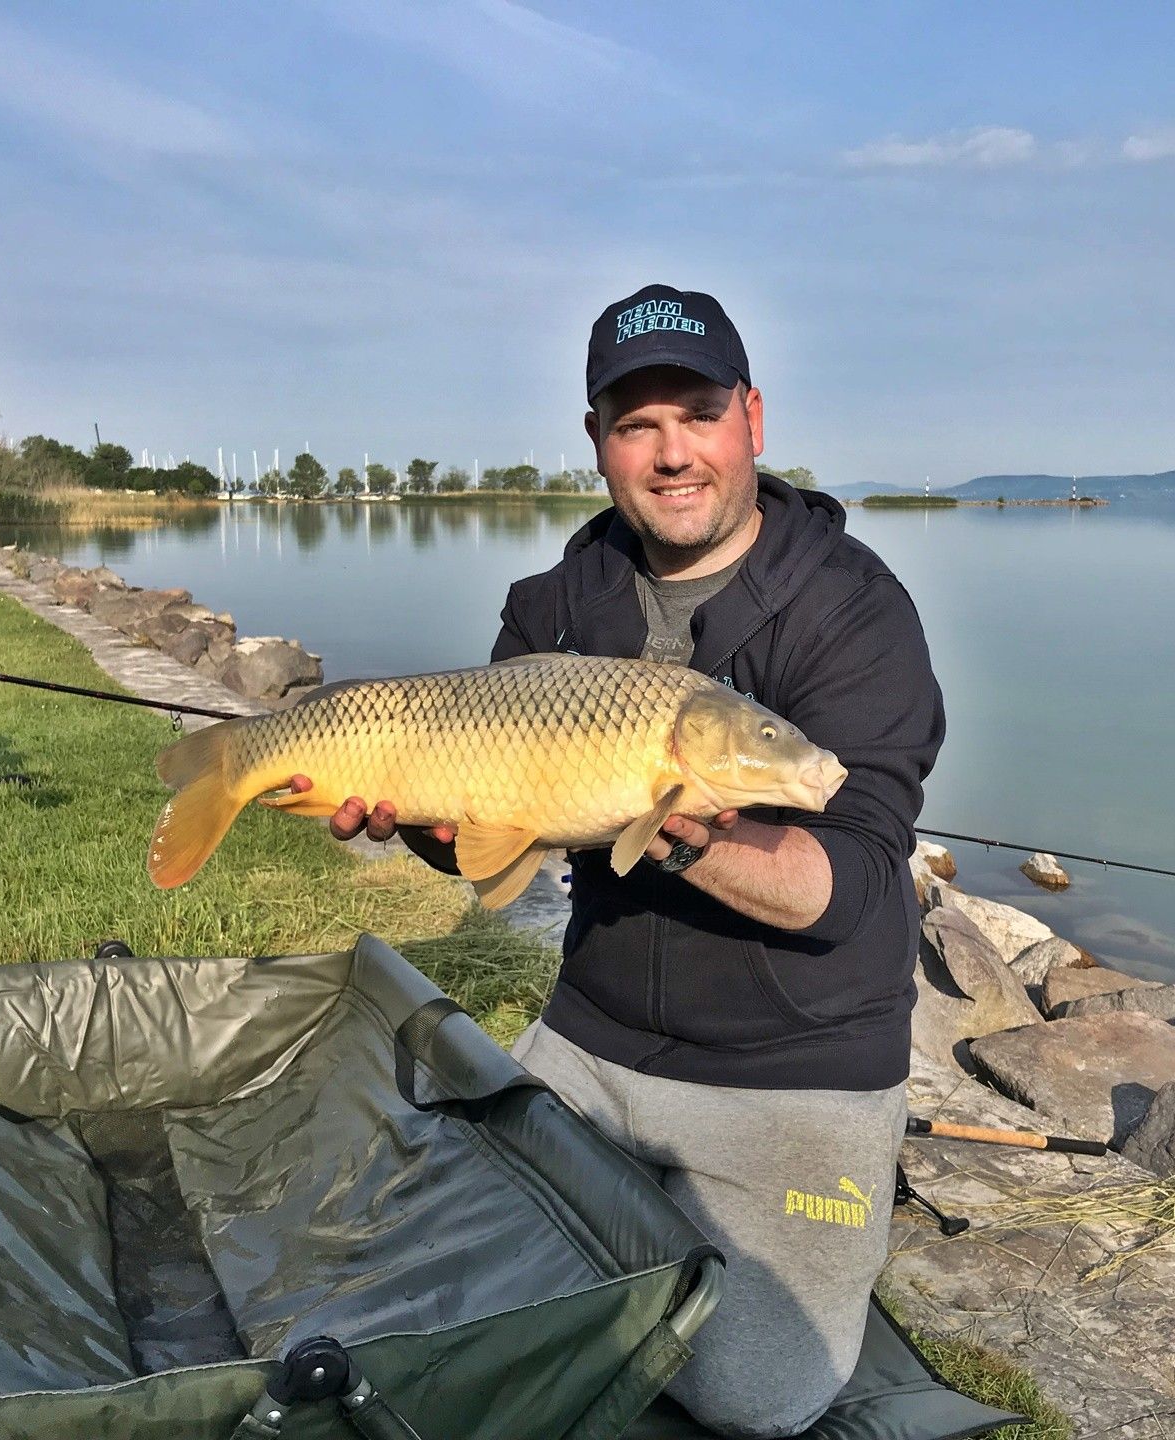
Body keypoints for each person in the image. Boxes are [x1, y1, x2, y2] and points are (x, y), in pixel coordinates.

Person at [291, 284, 945, 1437]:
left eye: (695, 413)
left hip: (792, 1065)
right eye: (635, 425)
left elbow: (851, 889)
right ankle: (620, 1238)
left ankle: (696, 1248)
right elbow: (491, 847)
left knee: (754, 1398)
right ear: (598, 443)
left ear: (752, 416)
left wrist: (689, 831)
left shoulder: (856, 613)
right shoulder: (556, 602)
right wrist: (425, 823)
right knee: (437, 1288)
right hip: (591, 1035)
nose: (670, 452)